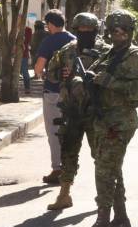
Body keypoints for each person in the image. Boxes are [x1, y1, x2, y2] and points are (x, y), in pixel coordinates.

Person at [75, 10, 138, 227]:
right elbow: (94, 76)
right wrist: (84, 80)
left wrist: (111, 82)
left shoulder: (137, 58)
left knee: (104, 171)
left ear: (130, 32)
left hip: (120, 121)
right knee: (111, 169)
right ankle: (120, 218)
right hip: (102, 119)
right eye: (114, 30)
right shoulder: (108, 55)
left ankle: (103, 221)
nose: (118, 34)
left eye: (123, 30)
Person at [44, 12, 109, 211]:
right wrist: (61, 73)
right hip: (71, 110)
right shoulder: (67, 50)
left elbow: (113, 77)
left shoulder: (106, 51)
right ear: (75, 30)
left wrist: (98, 78)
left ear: (96, 30)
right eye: (81, 30)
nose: (85, 34)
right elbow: (51, 74)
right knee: (68, 153)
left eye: (89, 30)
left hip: (96, 111)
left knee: (101, 155)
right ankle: (64, 194)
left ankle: (105, 196)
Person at [33, 10, 76, 185]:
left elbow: (38, 67)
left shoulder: (49, 41)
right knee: (72, 131)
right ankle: (70, 168)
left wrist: (42, 74)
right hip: (74, 92)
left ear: (50, 24)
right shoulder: (74, 39)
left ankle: (58, 169)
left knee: (54, 131)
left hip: (53, 92)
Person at [21, 23, 32, 93]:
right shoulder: (15, 29)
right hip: (15, 54)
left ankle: (27, 88)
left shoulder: (28, 30)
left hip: (24, 54)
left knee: (25, 71)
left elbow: (27, 41)